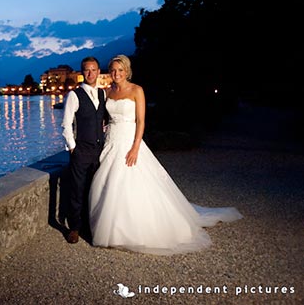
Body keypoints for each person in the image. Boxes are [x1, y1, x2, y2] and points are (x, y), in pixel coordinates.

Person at [88, 54, 243, 254]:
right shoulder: (108, 92)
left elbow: (141, 122)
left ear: (127, 71)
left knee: (128, 179)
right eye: (113, 70)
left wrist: (135, 147)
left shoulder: (137, 90)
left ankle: (133, 230)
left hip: (129, 140)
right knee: (108, 181)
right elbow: (104, 117)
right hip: (112, 140)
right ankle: (112, 227)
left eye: (120, 70)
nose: (116, 74)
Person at [61, 56, 106, 244]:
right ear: (82, 73)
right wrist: (72, 148)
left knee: (95, 189)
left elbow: (103, 120)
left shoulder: (103, 94)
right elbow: (66, 124)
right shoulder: (74, 95)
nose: (90, 73)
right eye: (87, 70)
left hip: (99, 150)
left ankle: (91, 225)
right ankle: (74, 228)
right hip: (81, 150)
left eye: (94, 69)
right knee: (77, 190)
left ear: (98, 71)